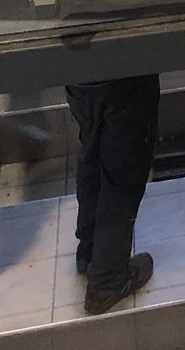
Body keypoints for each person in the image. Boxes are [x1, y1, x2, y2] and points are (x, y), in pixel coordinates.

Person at [66, 75, 159, 314]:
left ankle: (90, 250)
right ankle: (107, 281)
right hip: (123, 75)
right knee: (122, 175)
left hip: (76, 77)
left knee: (92, 148)